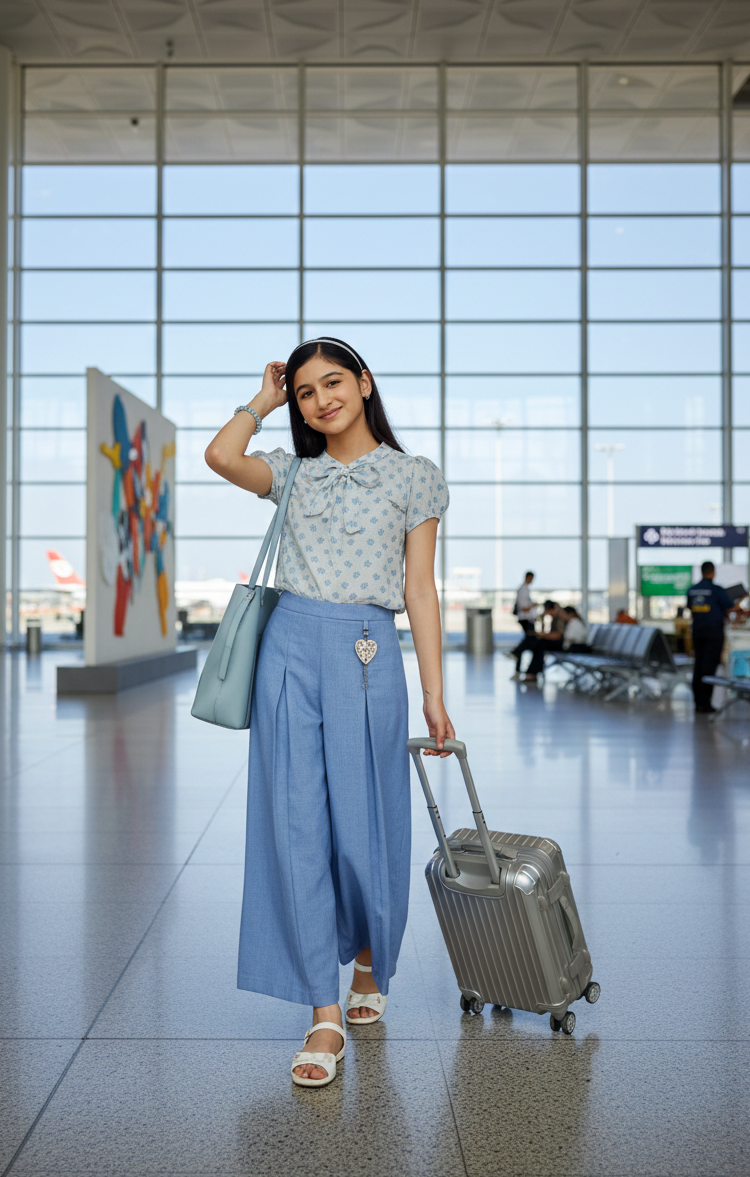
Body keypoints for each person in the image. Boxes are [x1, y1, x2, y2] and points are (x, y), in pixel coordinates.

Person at [204, 336, 453, 1088]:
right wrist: (260, 401)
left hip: (369, 654)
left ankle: (370, 959)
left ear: (366, 383)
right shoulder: (291, 472)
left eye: (333, 383)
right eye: (307, 391)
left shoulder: (414, 477)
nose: (321, 401)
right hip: (288, 652)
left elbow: (420, 590)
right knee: (297, 826)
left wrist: (436, 694)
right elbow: (220, 457)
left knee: (367, 825)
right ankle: (322, 1013)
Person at [687, 560, 733, 714]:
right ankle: (706, 703)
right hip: (713, 633)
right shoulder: (716, 590)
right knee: (709, 667)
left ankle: (697, 702)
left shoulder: (692, 590)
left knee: (698, 665)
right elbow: (729, 606)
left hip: (697, 632)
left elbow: (690, 608)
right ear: (713, 572)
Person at [517, 600, 566, 680]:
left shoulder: (559, 618)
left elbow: (558, 635)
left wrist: (544, 635)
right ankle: (532, 671)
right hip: (558, 642)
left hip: (563, 644)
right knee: (537, 643)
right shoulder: (555, 618)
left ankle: (531, 671)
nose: (546, 613)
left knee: (540, 644)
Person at [514, 572, 538, 637]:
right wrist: (533, 605)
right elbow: (524, 608)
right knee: (530, 637)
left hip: (527, 617)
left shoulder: (525, 589)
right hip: (525, 617)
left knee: (530, 638)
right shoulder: (523, 590)